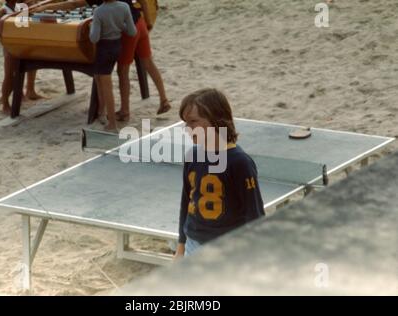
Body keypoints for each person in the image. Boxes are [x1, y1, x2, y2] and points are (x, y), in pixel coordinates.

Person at [33, 0, 171, 121]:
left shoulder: (101, 8)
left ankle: (124, 111)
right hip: (140, 23)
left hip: (128, 32)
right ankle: (164, 99)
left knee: (123, 71)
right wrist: (148, 22)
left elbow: (74, 4)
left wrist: (45, 8)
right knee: (148, 62)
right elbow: (144, 2)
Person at [174, 89, 265, 258]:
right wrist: (181, 246)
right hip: (193, 245)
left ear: (216, 121)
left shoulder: (240, 163)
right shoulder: (192, 156)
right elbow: (186, 202)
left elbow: (255, 214)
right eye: (186, 123)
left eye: (193, 121)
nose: (188, 129)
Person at [88, 0, 136, 131]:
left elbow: (94, 38)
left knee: (106, 86)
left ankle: (112, 124)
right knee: (98, 77)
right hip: (117, 45)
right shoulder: (124, 6)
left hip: (104, 48)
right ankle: (101, 112)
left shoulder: (99, 11)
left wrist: (92, 26)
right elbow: (132, 31)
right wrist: (119, 26)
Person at [0, 0, 43, 114]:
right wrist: (10, 16)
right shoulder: (4, 10)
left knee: (23, 69)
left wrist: (29, 11)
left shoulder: (20, 6)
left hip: (19, 44)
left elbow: (22, 26)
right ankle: (5, 103)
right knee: (9, 76)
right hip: (9, 46)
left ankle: (24, 93)